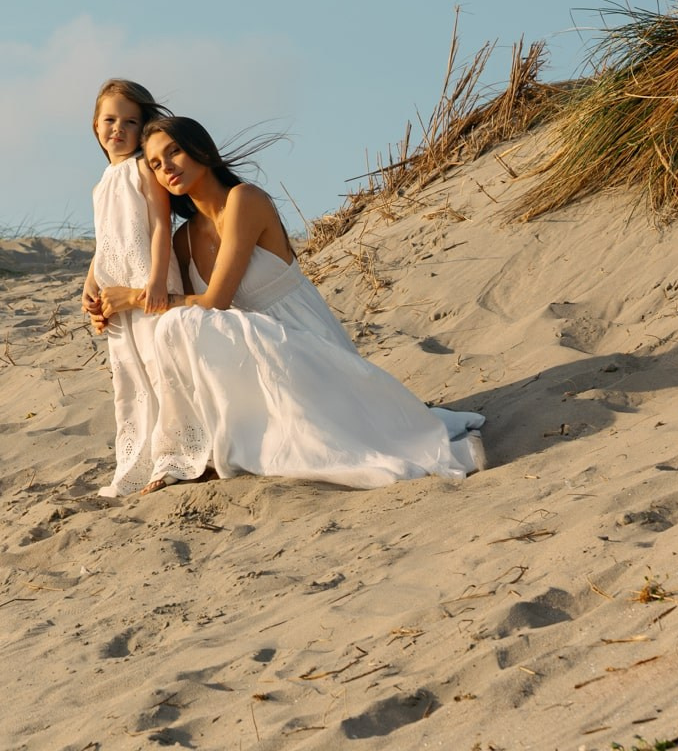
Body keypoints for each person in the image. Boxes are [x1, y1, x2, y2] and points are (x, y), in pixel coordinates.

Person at [96, 116, 485, 493]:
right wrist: (102, 304)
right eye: (156, 165)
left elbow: (215, 301)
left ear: (201, 148)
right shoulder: (183, 241)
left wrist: (131, 298)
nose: (168, 168)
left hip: (307, 347)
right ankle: (198, 451)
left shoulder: (244, 200)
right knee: (173, 327)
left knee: (180, 323)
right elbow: (157, 288)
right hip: (254, 365)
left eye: (175, 151)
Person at [82, 79, 184, 498]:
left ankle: (175, 456)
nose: (117, 129)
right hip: (115, 289)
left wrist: (156, 280)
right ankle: (140, 458)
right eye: (109, 119)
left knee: (164, 366)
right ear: (95, 125)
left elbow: (162, 224)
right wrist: (89, 287)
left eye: (129, 121)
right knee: (131, 374)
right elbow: (104, 242)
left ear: (142, 128)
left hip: (148, 280)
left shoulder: (143, 168)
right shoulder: (101, 183)